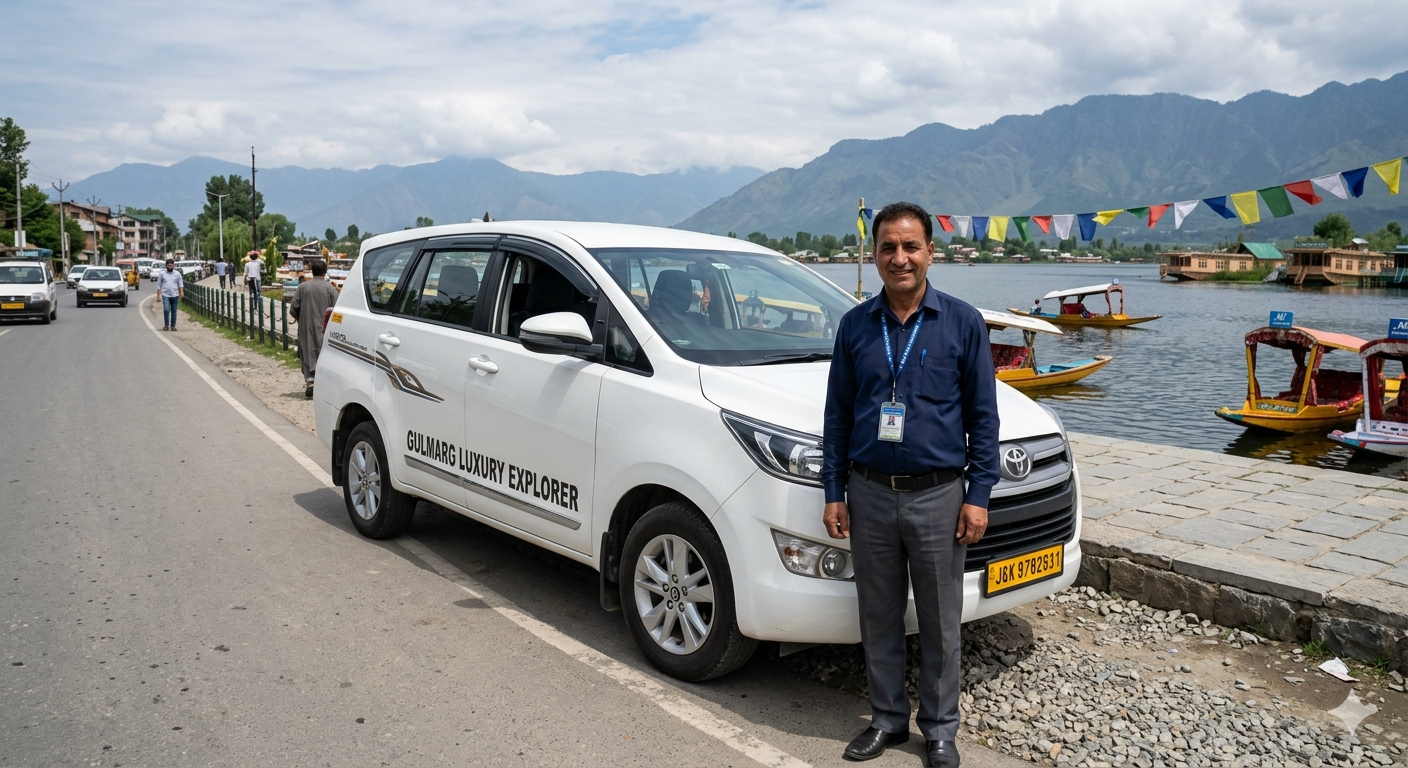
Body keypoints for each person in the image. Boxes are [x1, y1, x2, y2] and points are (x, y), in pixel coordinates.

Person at [822, 201, 999, 767]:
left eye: (910, 246)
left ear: (930, 252)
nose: (900, 258)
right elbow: (838, 417)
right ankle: (888, 720)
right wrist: (833, 490)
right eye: (888, 248)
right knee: (877, 613)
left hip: (939, 494)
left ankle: (941, 729)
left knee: (942, 620)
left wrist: (977, 496)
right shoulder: (855, 326)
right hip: (868, 490)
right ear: (874, 255)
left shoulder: (963, 323)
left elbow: (983, 418)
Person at [289, 260, 339, 399]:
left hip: (306, 327)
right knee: (324, 353)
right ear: (325, 271)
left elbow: (293, 308)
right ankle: (324, 383)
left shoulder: (303, 287)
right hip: (325, 328)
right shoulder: (330, 288)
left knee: (308, 351)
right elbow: (337, 310)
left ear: (312, 271)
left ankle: (310, 381)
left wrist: (301, 319)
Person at [156, 258, 185, 331]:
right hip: (166, 295)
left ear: (173, 265)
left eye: (171, 265)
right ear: (166, 266)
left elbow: (180, 284)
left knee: (174, 311)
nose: (170, 266)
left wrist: (181, 292)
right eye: (168, 265)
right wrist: (158, 296)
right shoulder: (162, 274)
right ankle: (166, 325)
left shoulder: (177, 274)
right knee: (166, 309)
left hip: (175, 295)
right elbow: (159, 285)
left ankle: (173, 326)